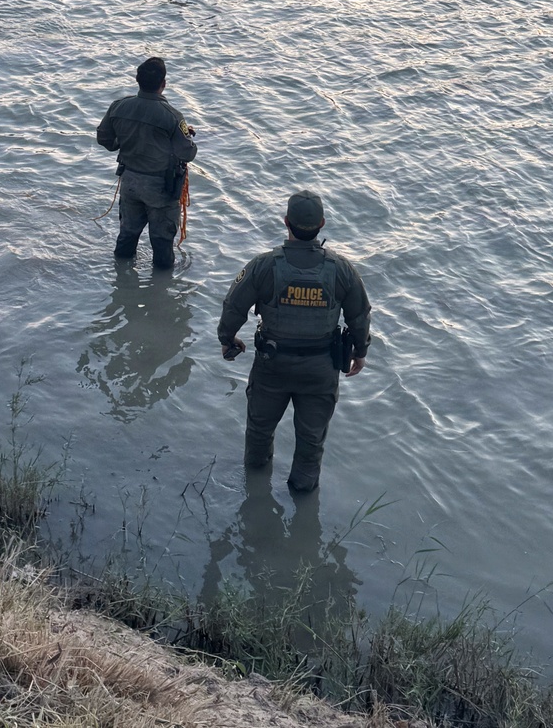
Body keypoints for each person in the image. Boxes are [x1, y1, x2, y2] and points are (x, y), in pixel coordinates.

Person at [217, 191, 371, 494]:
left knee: (259, 433)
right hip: (321, 369)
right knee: (312, 441)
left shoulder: (264, 266)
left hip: (272, 365)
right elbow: (360, 316)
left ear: (286, 222)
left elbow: (234, 306)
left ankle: (256, 491)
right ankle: (302, 499)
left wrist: (227, 338)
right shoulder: (341, 269)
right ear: (322, 224)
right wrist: (360, 352)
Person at [96, 57, 198, 270]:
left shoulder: (119, 106)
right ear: (164, 84)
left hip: (130, 182)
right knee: (162, 244)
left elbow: (104, 139)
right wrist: (187, 136)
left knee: (126, 236)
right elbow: (187, 153)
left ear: (137, 80)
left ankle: (121, 281)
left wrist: (124, 143)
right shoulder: (173, 116)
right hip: (160, 188)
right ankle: (160, 292)